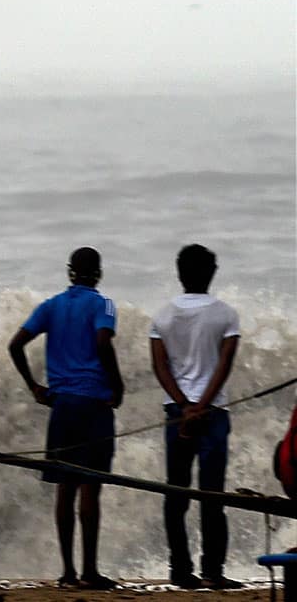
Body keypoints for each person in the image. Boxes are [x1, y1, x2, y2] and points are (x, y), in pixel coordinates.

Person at [8, 246, 124, 590]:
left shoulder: (51, 306)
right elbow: (103, 342)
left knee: (65, 488)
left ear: (69, 272)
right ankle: (89, 571)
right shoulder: (103, 304)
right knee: (91, 487)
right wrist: (118, 385)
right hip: (94, 405)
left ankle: (69, 573)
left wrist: (34, 386)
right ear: (99, 273)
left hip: (62, 407)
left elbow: (15, 345)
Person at [149, 244, 241, 590]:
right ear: (212, 272)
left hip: (177, 414)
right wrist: (201, 405)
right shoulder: (226, 315)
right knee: (212, 494)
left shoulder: (162, 316)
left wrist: (184, 406)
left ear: (179, 273)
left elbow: (159, 366)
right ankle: (213, 571)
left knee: (176, 493)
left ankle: (180, 570)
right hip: (213, 412)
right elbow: (224, 365)